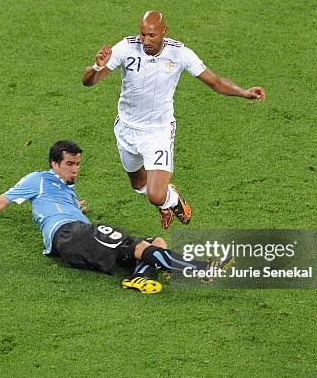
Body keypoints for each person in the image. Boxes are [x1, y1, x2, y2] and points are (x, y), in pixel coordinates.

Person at [0, 140, 230, 294]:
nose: (75, 170)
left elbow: (57, 203)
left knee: (157, 241)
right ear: (54, 163)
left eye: (78, 164)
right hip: (69, 234)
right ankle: (201, 269)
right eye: (69, 164)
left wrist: (74, 205)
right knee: (137, 246)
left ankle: (139, 278)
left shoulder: (65, 188)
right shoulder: (38, 179)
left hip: (80, 234)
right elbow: (0, 201)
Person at [82, 11, 267, 229]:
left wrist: (243, 92)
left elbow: (215, 82)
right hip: (126, 129)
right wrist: (96, 67)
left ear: (163, 32)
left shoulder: (179, 53)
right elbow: (88, 82)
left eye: (151, 35)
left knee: (155, 194)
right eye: (142, 35)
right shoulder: (126, 47)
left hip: (157, 132)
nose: (145, 41)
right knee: (139, 185)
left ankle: (172, 200)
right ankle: (165, 203)